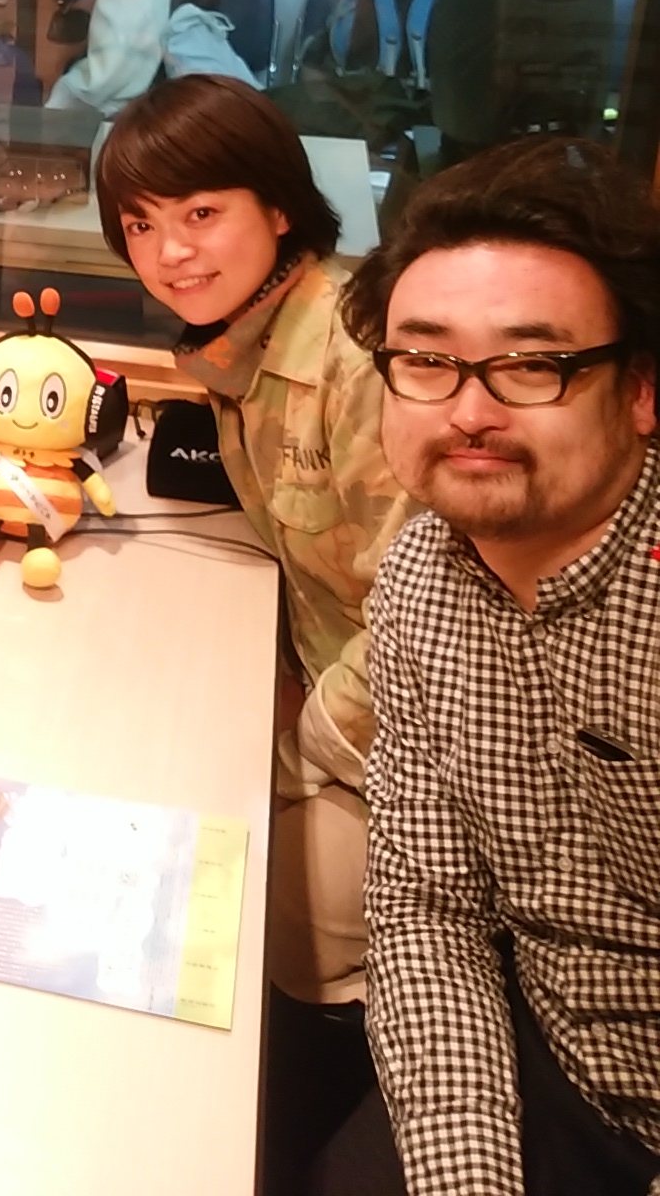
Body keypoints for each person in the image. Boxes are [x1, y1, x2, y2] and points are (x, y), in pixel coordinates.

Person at [330, 136, 660, 1196]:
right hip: (551, 1054)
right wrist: (468, 1176)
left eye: (531, 364)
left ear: (640, 390)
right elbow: (428, 908)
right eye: (427, 362)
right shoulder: (422, 577)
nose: (470, 410)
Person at [95, 74, 416, 1007]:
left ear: (279, 209)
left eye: (201, 213)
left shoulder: (362, 360)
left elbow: (422, 630)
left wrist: (284, 757)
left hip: (409, 739)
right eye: (142, 224)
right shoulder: (243, 344)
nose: (169, 253)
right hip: (322, 683)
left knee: (245, 909)